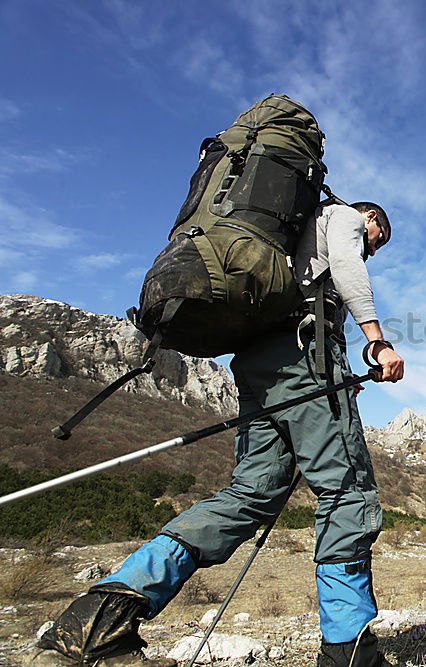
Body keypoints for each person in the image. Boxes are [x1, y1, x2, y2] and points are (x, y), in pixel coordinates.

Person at [29, 201, 405, 667]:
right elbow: (348, 268)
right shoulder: (342, 215)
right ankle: (351, 653)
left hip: (255, 365)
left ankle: (95, 622)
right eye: (378, 237)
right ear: (370, 217)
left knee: (249, 494)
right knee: (347, 493)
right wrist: (377, 339)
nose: (374, 248)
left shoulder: (285, 232)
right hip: (306, 356)